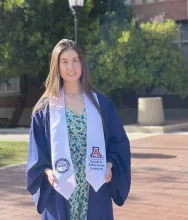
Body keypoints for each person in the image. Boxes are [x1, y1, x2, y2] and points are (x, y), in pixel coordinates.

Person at [26, 39, 131, 220]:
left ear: (82, 63)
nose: (71, 67)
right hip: (61, 188)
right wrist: (47, 172)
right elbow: (37, 152)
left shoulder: (101, 104)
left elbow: (118, 143)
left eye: (75, 60)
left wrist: (110, 165)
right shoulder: (45, 109)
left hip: (94, 188)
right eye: (64, 62)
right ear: (56, 66)